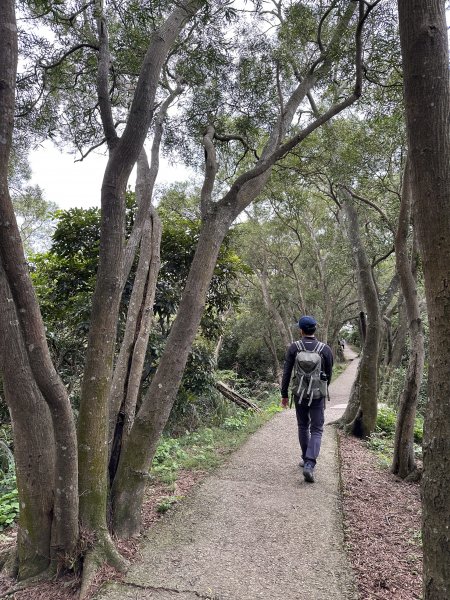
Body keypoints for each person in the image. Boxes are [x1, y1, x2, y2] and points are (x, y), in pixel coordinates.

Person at [281, 315, 333, 483]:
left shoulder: (294, 348)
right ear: (315, 330)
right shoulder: (325, 349)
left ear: (301, 330)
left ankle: (305, 458)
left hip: (299, 394)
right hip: (317, 395)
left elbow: (287, 372)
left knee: (303, 426)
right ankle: (310, 464)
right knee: (317, 429)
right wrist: (322, 390)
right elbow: (329, 374)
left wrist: (284, 394)